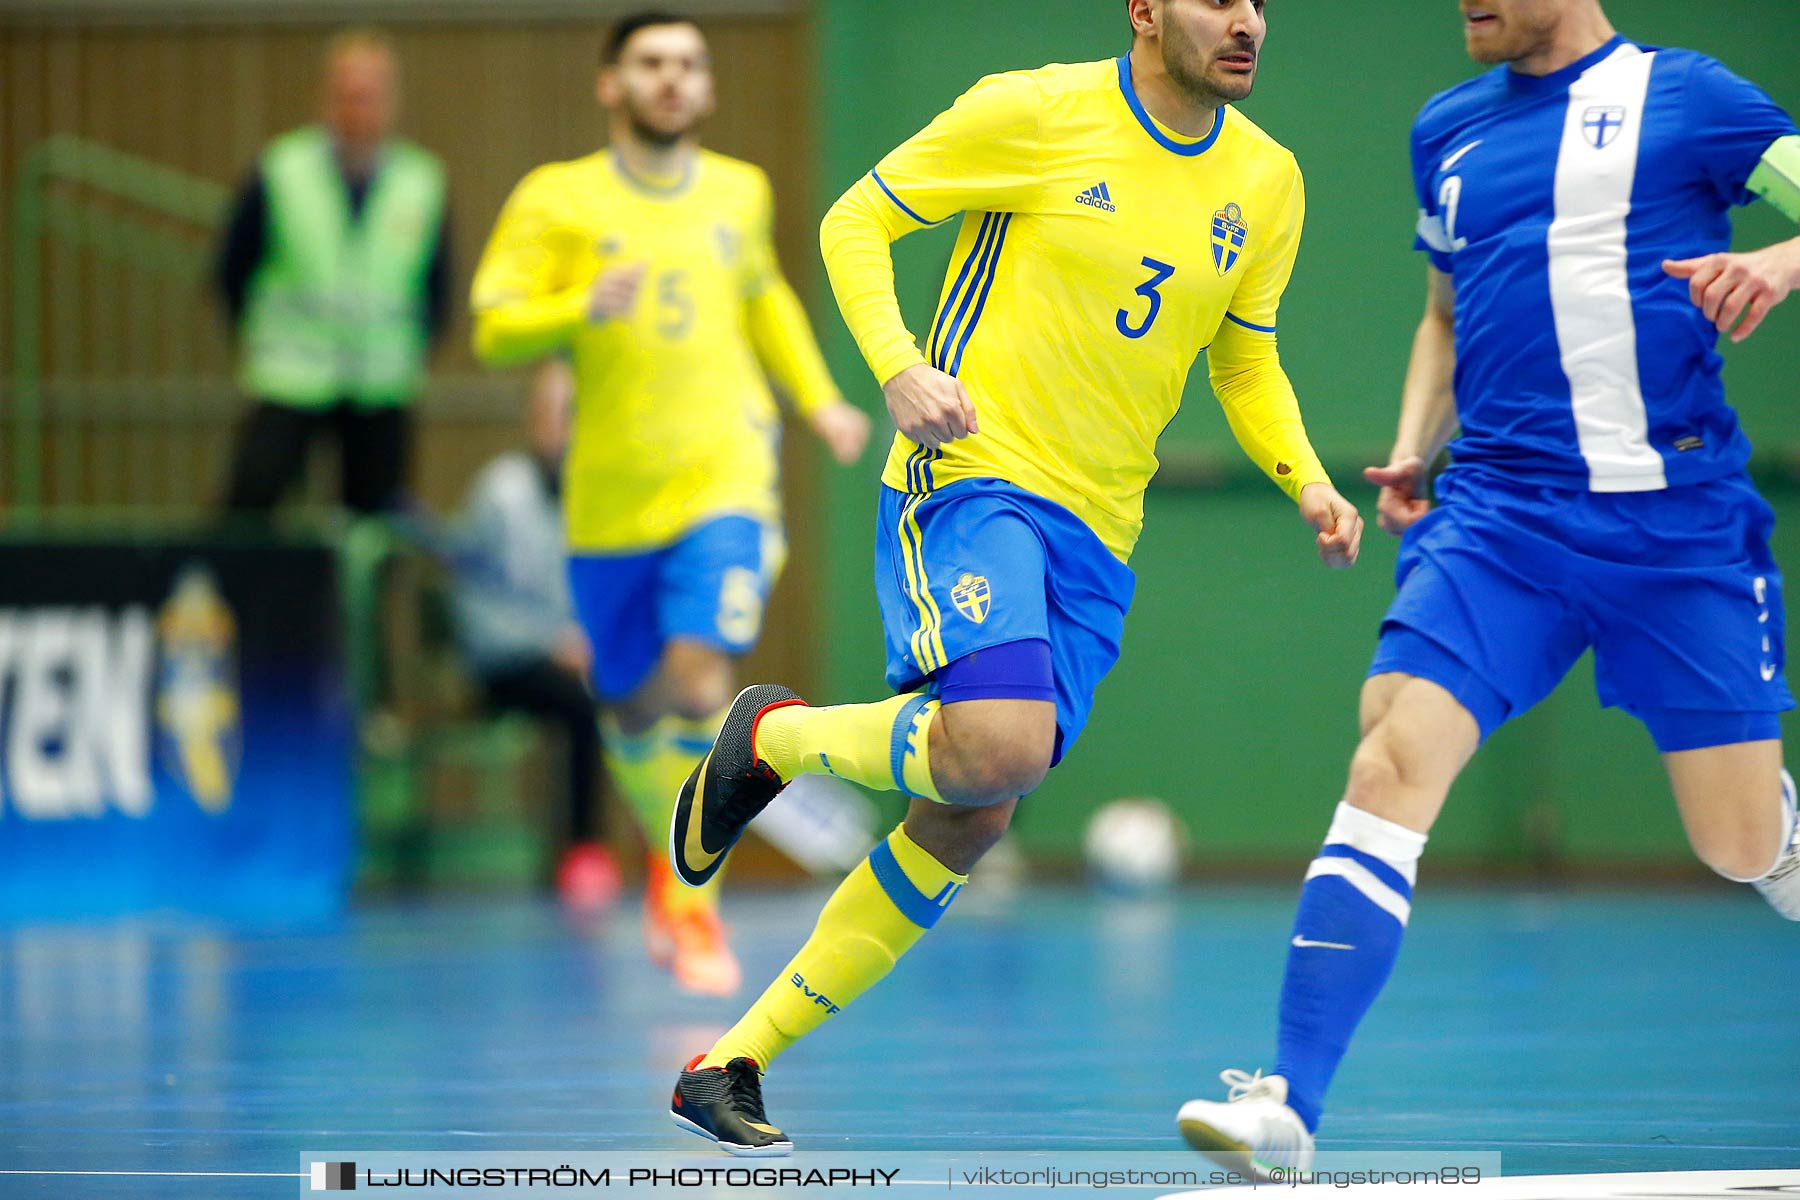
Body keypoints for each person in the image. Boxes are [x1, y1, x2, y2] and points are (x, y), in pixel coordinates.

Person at [665, 0, 1364, 1155]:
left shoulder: (1269, 178)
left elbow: (1244, 354)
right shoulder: (1035, 110)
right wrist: (895, 368)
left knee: (970, 811)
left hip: (1101, 529)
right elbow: (853, 223)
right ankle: (774, 742)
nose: (1245, 22)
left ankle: (728, 1062)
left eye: (1259, 2)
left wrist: (1306, 479)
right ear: (1146, 11)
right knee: (1003, 746)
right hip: (973, 475)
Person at [1176, 0, 1800, 1177]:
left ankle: (1782, 840)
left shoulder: (1693, 96)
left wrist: (1778, 253)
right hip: (1501, 520)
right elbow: (1443, 312)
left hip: (1679, 533)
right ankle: (1287, 1105)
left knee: (1737, 845)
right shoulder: (1448, 127)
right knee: (1389, 756)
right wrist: (1417, 441)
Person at [469, 11, 869, 995]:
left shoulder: (740, 190)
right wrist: (577, 307)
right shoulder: (556, 200)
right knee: (634, 706)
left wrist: (817, 402)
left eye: (690, 64)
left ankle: (692, 908)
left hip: (725, 477)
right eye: (651, 63)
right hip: (610, 506)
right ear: (611, 84)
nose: (672, 79)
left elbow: (765, 295)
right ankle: (669, 865)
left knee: (699, 680)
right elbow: (490, 330)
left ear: (709, 86)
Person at [217, 28, 451, 515]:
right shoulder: (282, 168)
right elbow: (231, 269)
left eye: (369, 97)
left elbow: (437, 289)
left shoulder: (422, 181)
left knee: (376, 522)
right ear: (324, 99)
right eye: (347, 96)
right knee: (250, 504)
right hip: (290, 377)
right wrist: (261, 338)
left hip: (380, 383)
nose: (357, 111)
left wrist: (411, 349)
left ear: (392, 102)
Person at [450, 358, 617, 911]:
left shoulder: (601, 492)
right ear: (534, 419)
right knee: (579, 704)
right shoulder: (498, 492)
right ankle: (584, 849)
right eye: (556, 413)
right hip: (509, 662)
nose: (566, 426)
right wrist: (549, 644)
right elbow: (473, 603)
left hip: (582, 654)